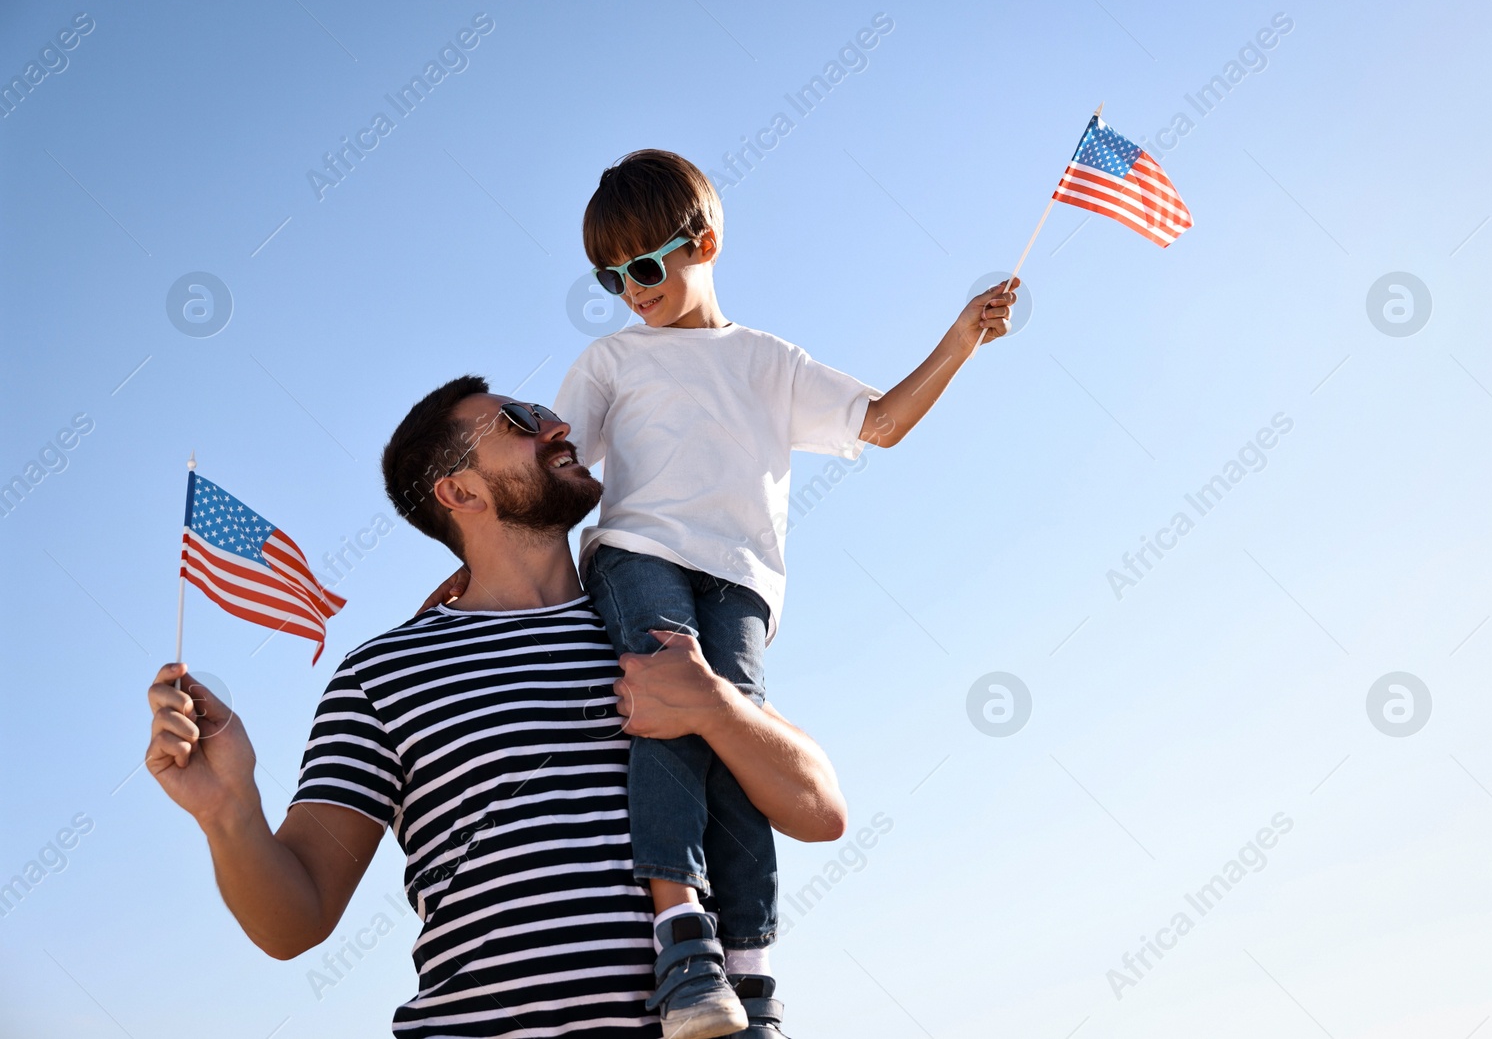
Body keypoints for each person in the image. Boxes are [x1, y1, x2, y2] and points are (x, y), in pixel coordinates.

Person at [424, 149, 1017, 1038]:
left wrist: (960, 339)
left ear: (701, 242)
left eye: (646, 266)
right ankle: (682, 941)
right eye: (610, 276)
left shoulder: (768, 362)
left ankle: (752, 971)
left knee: (735, 738)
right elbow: (550, 475)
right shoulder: (611, 361)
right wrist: (476, 567)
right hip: (637, 553)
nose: (632, 289)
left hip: (741, 579)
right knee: (665, 704)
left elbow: (882, 423)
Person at [143, 376, 847, 1039]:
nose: (559, 426)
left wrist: (715, 707)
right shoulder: (382, 676)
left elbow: (821, 810)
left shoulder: (655, 629)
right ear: (460, 491)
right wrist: (227, 808)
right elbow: (295, 920)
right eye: (523, 423)